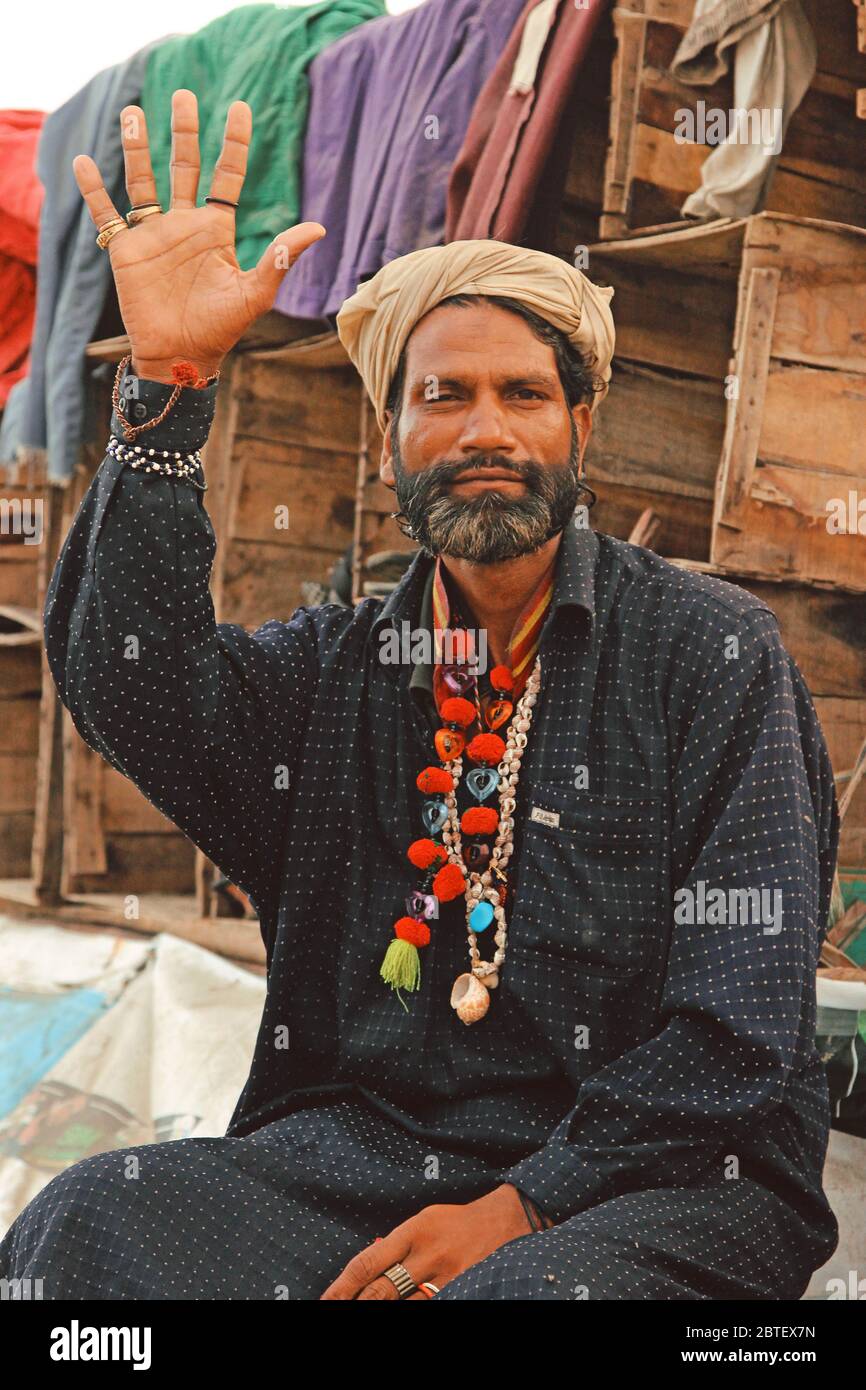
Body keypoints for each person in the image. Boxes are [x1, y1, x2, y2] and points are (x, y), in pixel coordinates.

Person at [0, 91, 839, 1301]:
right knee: (87, 1231)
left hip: (665, 1179)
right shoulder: (335, 673)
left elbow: (738, 1030)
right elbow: (133, 690)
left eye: (522, 395)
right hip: (374, 1156)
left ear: (580, 426)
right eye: (441, 397)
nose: (483, 429)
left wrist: (521, 1207)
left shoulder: (711, 656)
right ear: (393, 436)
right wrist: (168, 388)